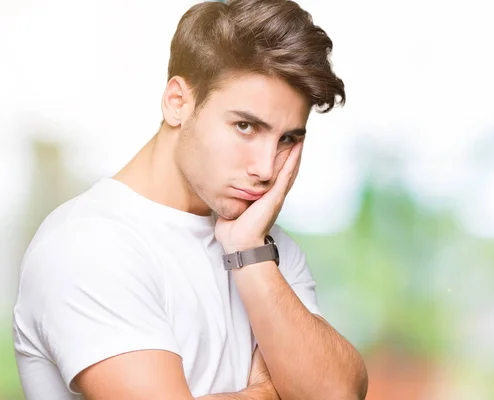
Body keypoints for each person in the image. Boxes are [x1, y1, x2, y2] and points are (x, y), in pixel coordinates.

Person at [12, 0, 369, 399]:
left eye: (288, 139)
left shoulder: (265, 245)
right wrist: (269, 393)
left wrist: (250, 252)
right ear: (177, 102)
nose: (267, 168)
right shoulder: (87, 244)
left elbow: (338, 395)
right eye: (246, 126)